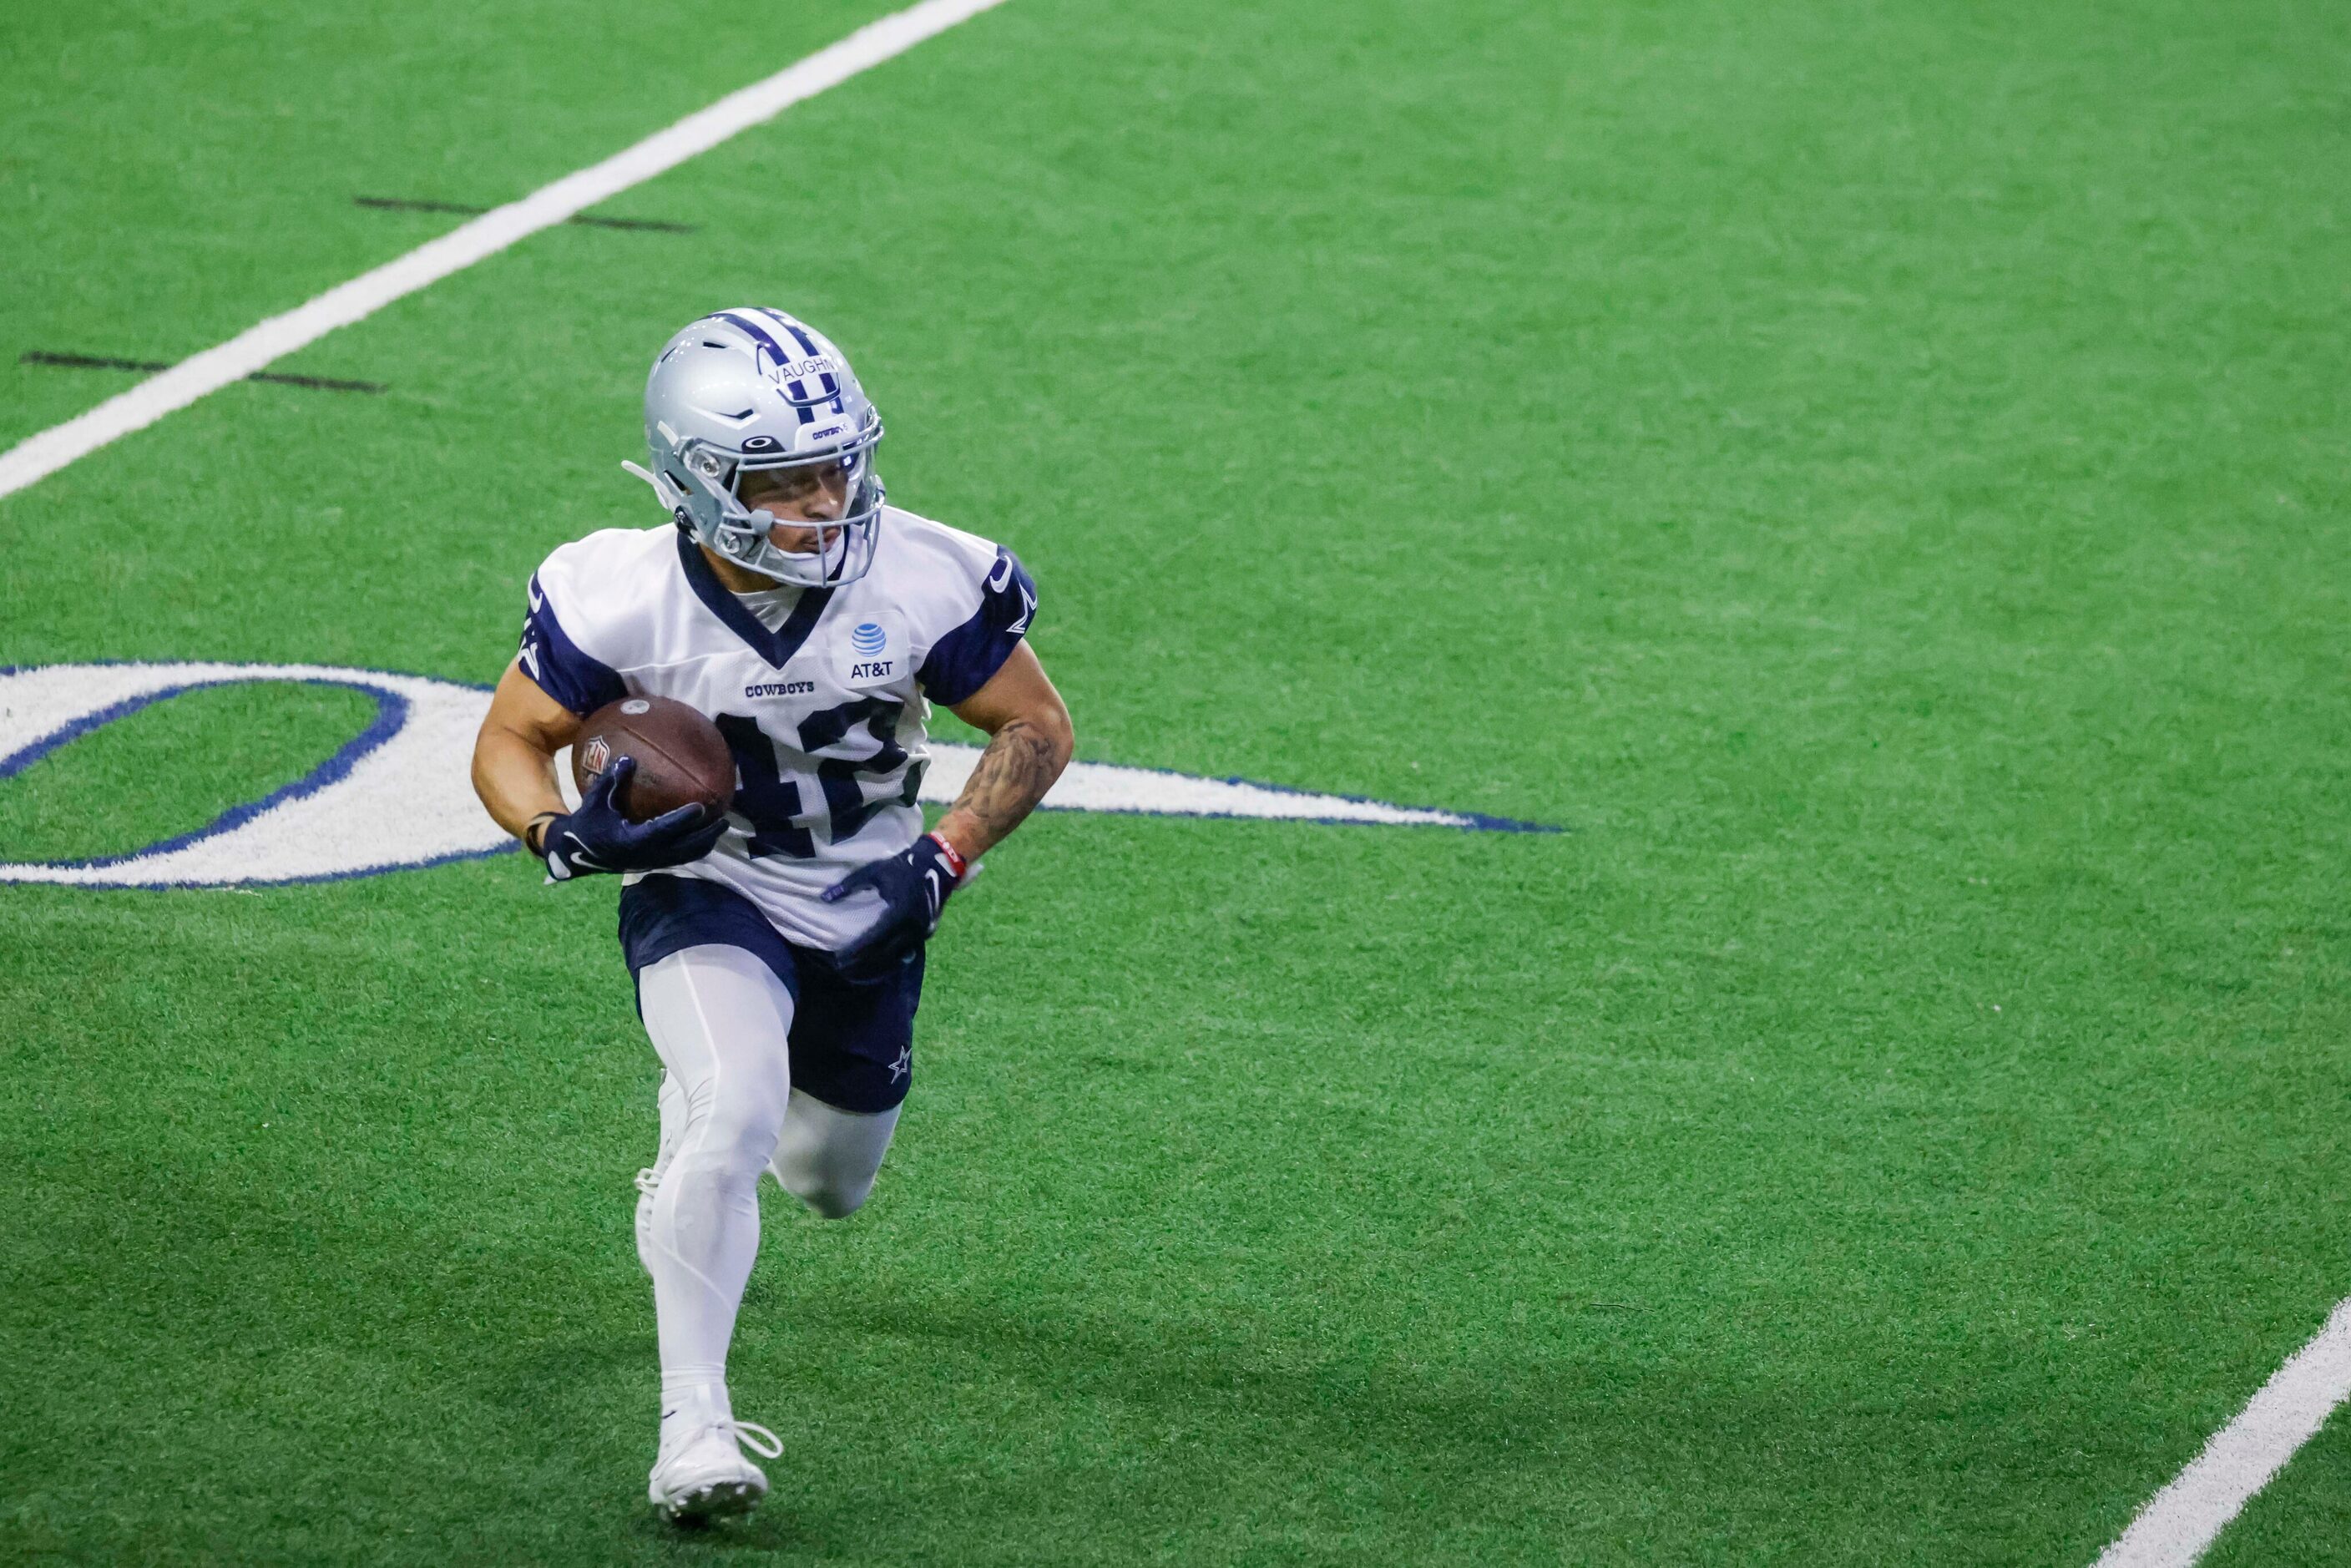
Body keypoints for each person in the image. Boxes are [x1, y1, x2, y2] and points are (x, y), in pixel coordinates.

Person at [469, 308, 1074, 1523]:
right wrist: (556, 829)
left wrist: (944, 860)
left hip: (868, 890)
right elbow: (508, 739)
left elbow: (1035, 726)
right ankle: (692, 1426)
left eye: (837, 461)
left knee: (830, 1178)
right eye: (786, 477)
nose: (827, 498)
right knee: (732, 1109)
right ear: (699, 479)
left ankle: (709, 1143)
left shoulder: (925, 569)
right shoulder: (621, 592)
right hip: (714, 884)